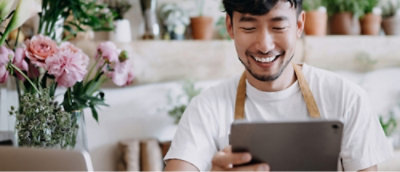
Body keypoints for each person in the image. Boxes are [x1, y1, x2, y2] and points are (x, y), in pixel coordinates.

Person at [164, 0, 393, 171]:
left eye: (278, 27)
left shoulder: (347, 98)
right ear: (230, 27)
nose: (264, 45)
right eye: (249, 28)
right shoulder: (206, 108)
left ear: (299, 25)